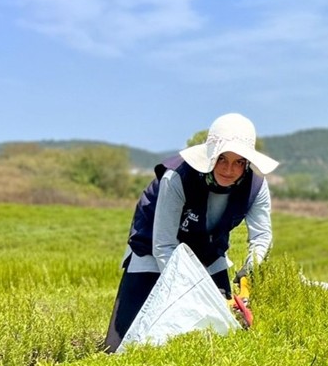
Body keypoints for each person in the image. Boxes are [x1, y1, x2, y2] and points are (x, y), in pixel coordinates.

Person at [103, 113, 279, 352]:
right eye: (222, 159)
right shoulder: (177, 177)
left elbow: (261, 236)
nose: (229, 170)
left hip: (208, 254)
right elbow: (163, 246)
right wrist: (191, 291)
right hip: (153, 254)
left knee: (221, 334)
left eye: (239, 162)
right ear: (211, 156)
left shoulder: (256, 188)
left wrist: (251, 267)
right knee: (123, 345)